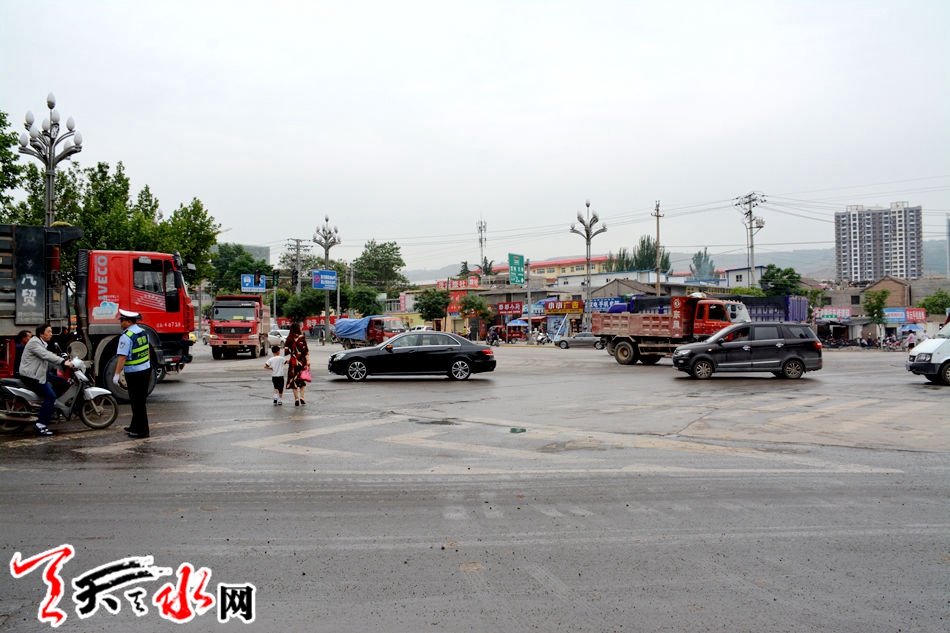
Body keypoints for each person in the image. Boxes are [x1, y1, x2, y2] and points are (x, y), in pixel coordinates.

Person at [19, 324, 73, 436]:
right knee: (50, 396)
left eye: (51, 331)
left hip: (39, 372)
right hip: (31, 375)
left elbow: (47, 355)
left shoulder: (41, 343)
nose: (51, 334)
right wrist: (63, 362)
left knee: (61, 382)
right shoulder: (34, 343)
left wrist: (62, 357)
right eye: (48, 332)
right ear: (41, 334)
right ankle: (40, 425)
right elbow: (45, 355)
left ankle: (53, 408)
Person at [113, 309, 152, 438]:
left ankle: (143, 431)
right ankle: (134, 426)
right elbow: (147, 350)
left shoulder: (126, 336)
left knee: (137, 403)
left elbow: (122, 357)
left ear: (129, 321)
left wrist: (116, 374)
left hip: (135, 374)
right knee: (139, 401)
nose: (120, 323)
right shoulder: (143, 332)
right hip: (145, 370)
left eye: (122, 321)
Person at [283, 323, 310, 407]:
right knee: (302, 380)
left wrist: (292, 354)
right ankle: (302, 397)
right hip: (301, 362)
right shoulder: (302, 338)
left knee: (293, 381)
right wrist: (308, 361)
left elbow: (286, 351)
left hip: (293, 363)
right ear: (298, 329)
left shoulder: (289, 339)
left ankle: (296, 399)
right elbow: (305, 351)